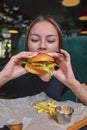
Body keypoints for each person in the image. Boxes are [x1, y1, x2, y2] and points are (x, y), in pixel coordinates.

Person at [0, 15, 87, 105]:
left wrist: (73, 83)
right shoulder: (15, 67)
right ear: (27, 44)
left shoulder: (64, 69)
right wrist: (4, 76)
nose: (42, 46)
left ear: (58, 47)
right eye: (35, 39)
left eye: (50, 40)